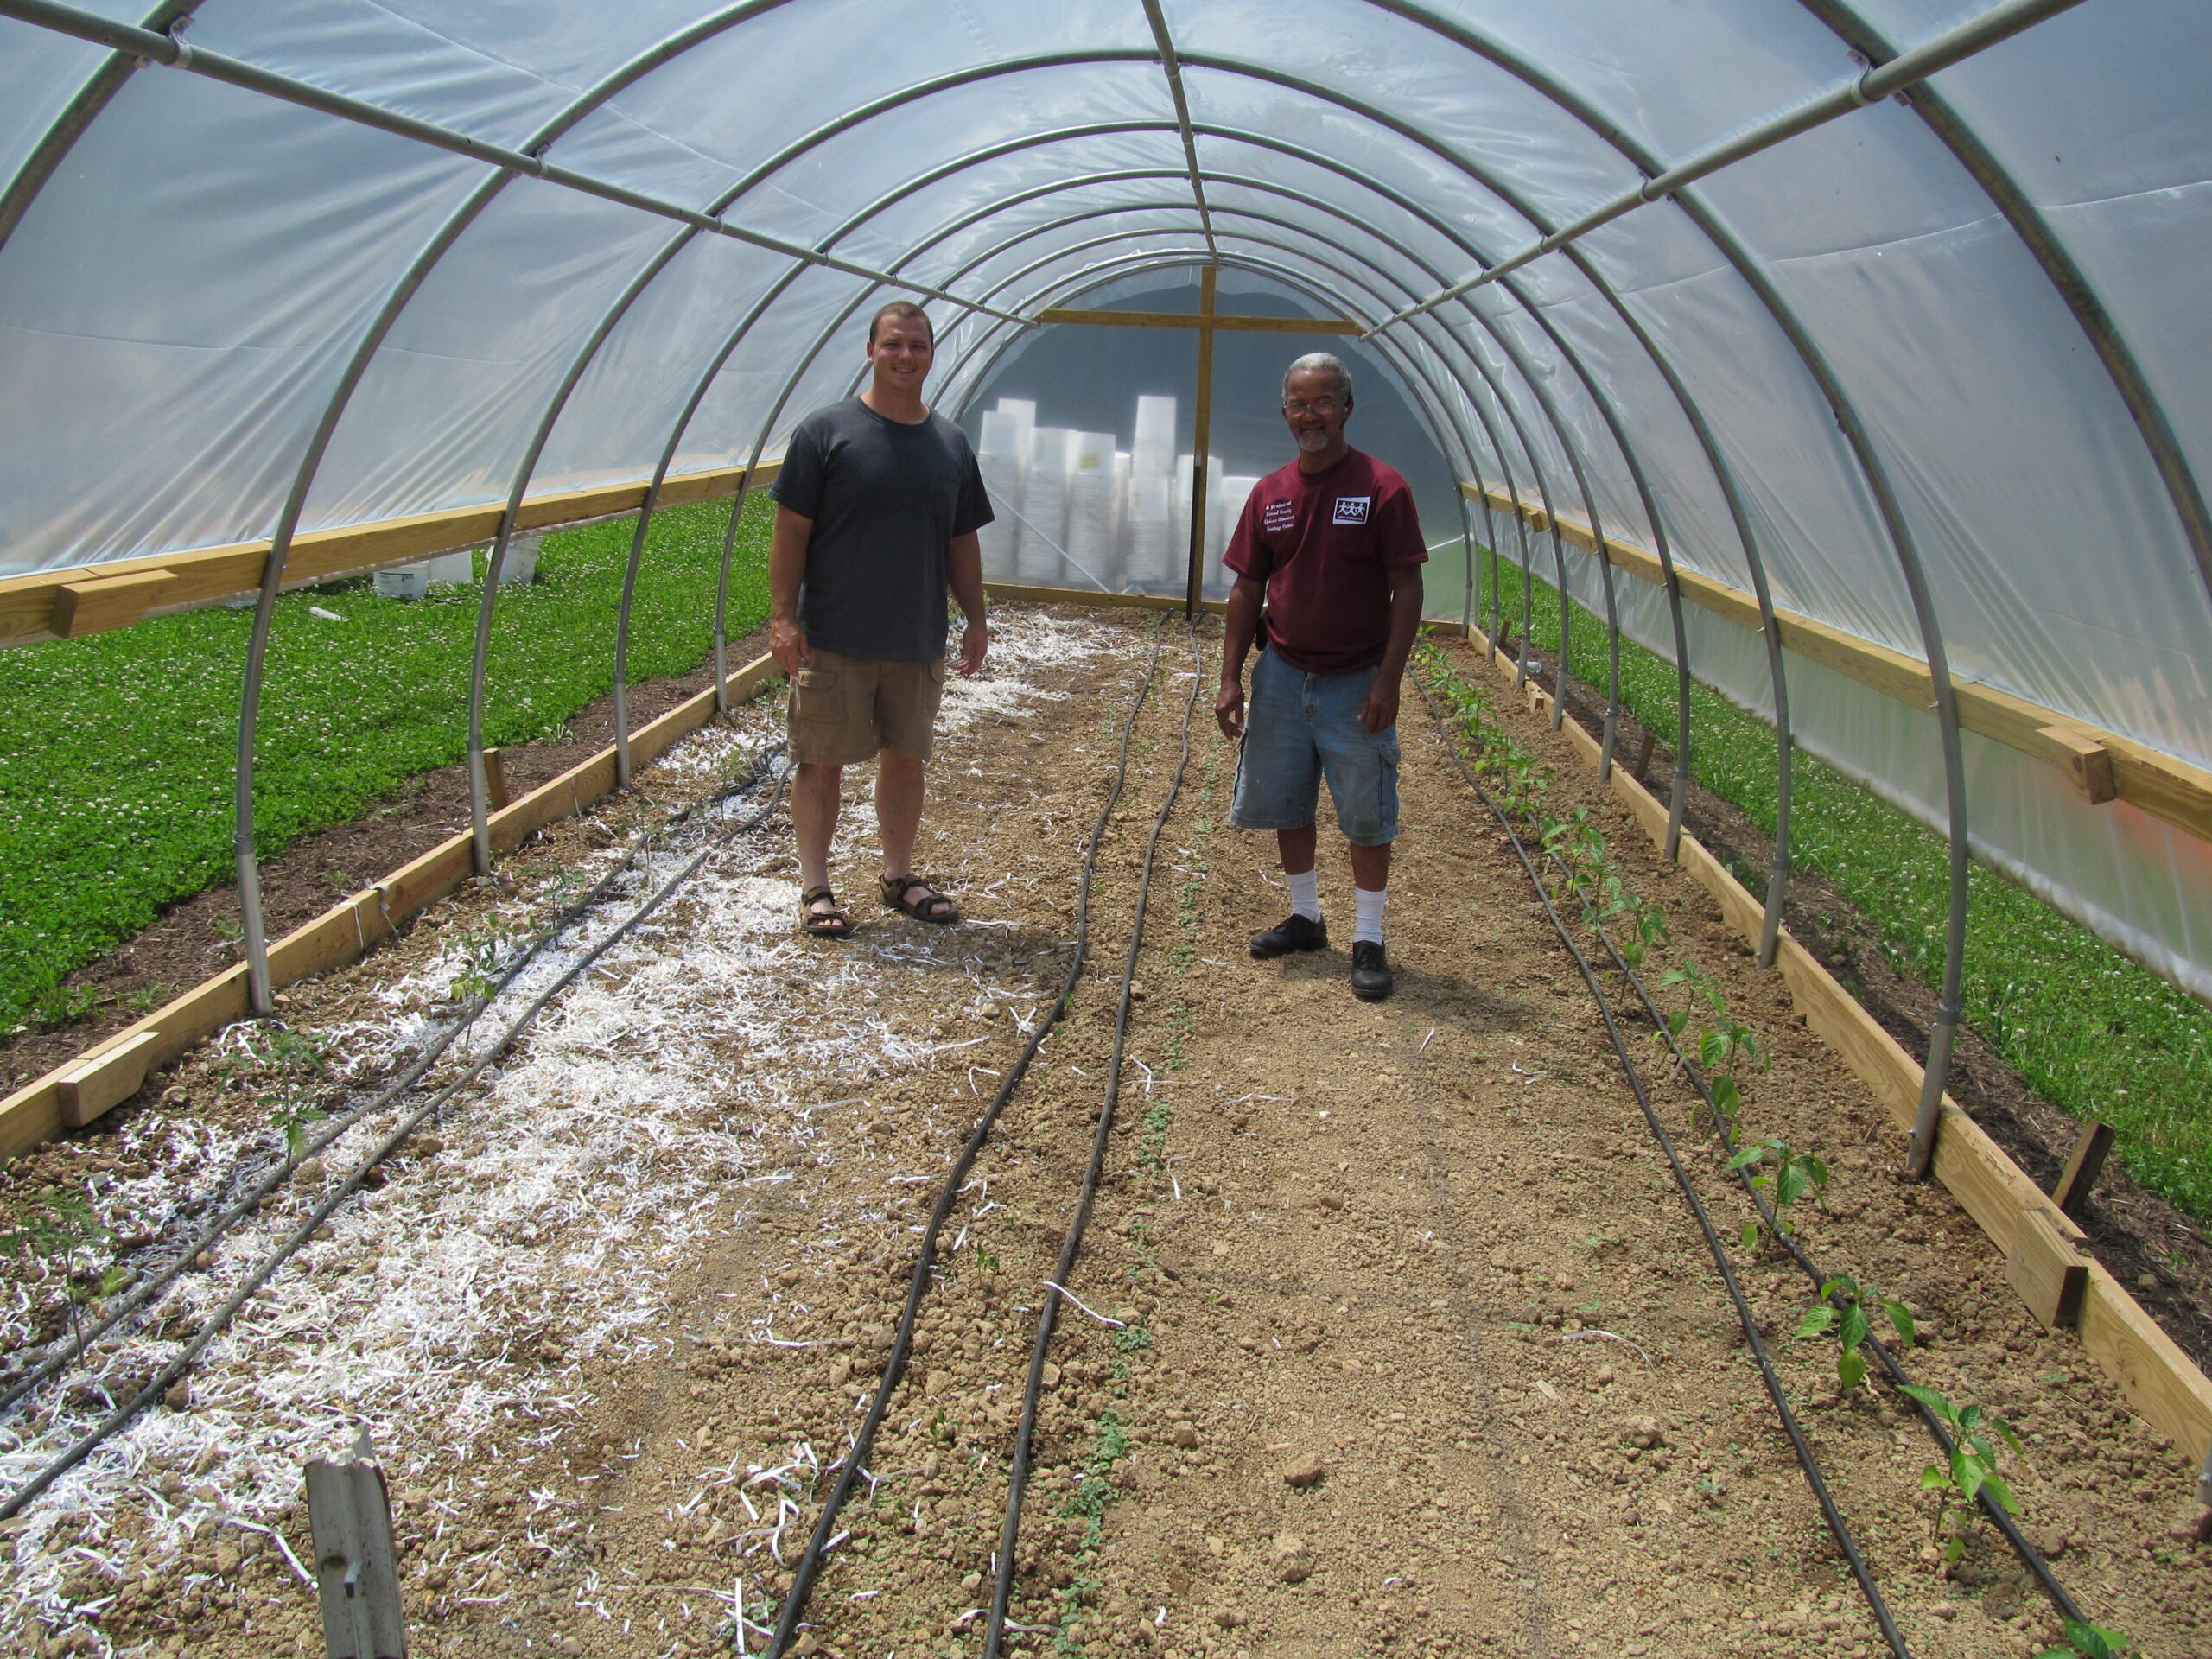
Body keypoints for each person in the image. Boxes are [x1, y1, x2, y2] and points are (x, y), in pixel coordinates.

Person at [768, 299, 993, 939]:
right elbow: (790, 532)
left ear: (931, 355)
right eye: (893, 344)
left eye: (917, 346)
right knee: (821, 761)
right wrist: (783, 618)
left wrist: (975, 618)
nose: (905, 356)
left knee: (906, 758)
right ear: (871, 351)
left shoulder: (949, 444)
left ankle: (898, 877)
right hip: (833, 636)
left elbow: (962, 541)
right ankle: (816, 888)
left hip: (915, 637)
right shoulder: (825, 434)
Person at [1215, 352, 1427, 1001]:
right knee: (1288, 800)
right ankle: (1306, 918)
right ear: (1285, 413)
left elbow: (1407, 587)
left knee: (1366, 812)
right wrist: (1231, 677)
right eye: (1299, 405)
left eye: (1324, 402)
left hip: (1354, 679)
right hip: (1283, 672)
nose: (1312, 416)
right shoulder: (1271, 493)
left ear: (1347, 409)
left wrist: (1387, 681)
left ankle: (1369, 937)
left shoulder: (1382, 487)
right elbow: (1247, 588)